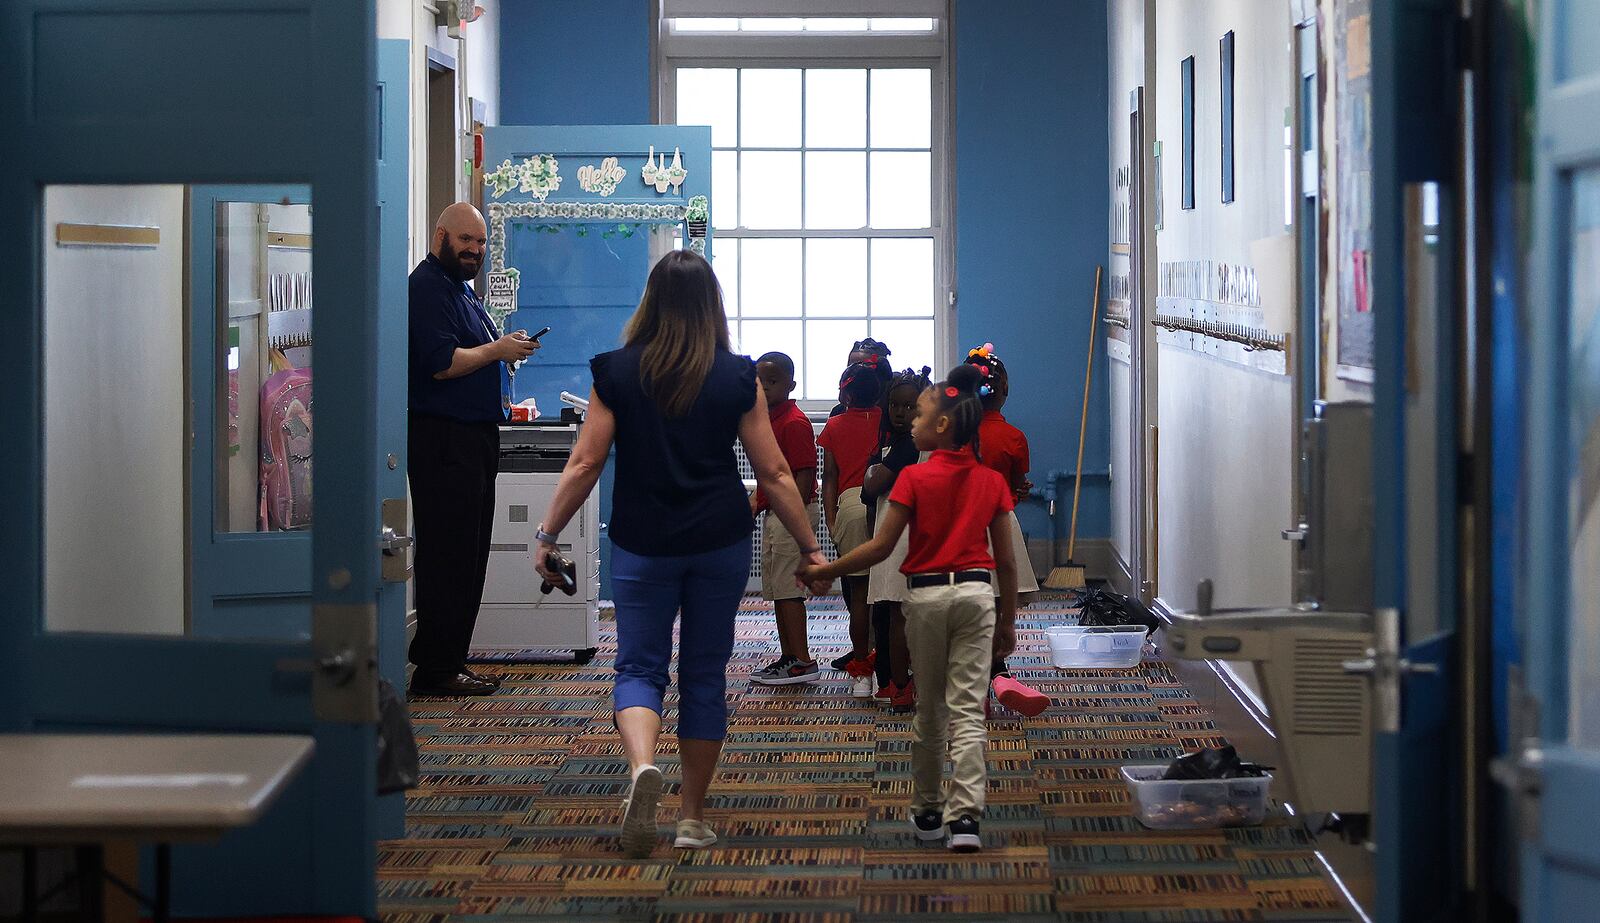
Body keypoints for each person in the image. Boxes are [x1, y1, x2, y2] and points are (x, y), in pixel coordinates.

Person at [533, 250, 823, 858]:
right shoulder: (738, 376)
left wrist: (548, 535)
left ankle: (643, 768)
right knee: (703, 676)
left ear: (652, 301)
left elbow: (585, 462)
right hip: (718, 541)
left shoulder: (615, 371)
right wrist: (809, 548)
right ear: (711, 304)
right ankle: (691, 816)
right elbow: (772, 472)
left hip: (643, 542)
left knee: (639, 667)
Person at [800, 364, 1019, 853]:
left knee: (931, 711)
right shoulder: (989, 481)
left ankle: (925, 810)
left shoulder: (913, 480)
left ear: (942, 426)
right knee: (967, 711)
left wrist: (825, 572)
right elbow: (1006, 563)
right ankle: (965, 820)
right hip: (977, 598)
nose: (910, 421)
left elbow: (879, 549)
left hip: (926, 599)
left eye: (919, 414)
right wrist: (1008, 624)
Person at [407, 203, 539, 697]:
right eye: (466, 240)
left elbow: (473, 351)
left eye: (481, 243)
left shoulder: (459, 292)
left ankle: (449, 658)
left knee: (468, 553)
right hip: (444, 439)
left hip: (474, 436)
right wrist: (496, 350)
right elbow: (441, 363)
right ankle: (437, 668)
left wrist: (503, 347)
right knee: (449, 553)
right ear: (440, 235)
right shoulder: (425, 289)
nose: (475, 251)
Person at [964, 344, 1048, 716]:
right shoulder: (1014, 437)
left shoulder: (952, 434)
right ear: (1005, 392)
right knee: (998, 603)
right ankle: (998, 673)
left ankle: (977, 683)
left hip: (960, 528)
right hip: (999, 524)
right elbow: (1015, 486)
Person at [750, 351, 823, 686]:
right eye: (759, 381)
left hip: (792, 516)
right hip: (777, 514)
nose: (764, 388)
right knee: (779, 589)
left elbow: (805, 477)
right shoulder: (766, 420)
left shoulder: (794, 422)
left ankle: (803, 660)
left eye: (773, 382)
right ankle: (789, 656)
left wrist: (795, 521)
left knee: (790, 590)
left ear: (791, 385)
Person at [861, 366, 932, 709]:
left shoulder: (907, 447)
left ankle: (901, 684)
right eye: (896, 406)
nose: (902, 413)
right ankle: (903, 682)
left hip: (901, 540)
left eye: (910, 406)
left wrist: (870, 473)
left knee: (899, 616)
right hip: (906, 538)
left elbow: (872, 487)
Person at [817, 358, 886, 695]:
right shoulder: (889, 424)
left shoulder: (834, 426)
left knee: (858, 596)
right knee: (890, 596)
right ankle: (894, 670)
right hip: (887, 506)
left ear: (845, 396)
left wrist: (831, 518)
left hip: (850, 506)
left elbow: (829, 477)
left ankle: (861, 673)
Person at [829, 338, 892, 417]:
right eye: (850, 367)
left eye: (860, 368)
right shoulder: (838, 412)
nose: (851, 374)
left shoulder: (893, 411)